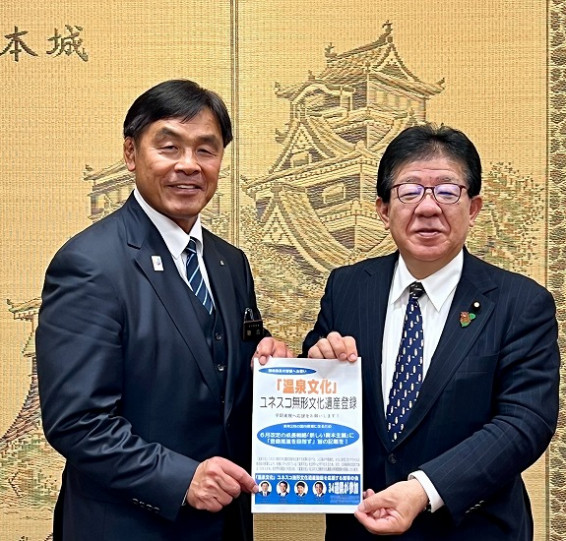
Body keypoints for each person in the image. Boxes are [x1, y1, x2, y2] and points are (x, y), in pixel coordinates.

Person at [36, 79, 290, 541]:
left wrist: (266, 363)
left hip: (225, 524)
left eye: (206, 150)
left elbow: (223, 377)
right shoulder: (89, 263)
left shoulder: (230, 262)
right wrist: (181, 479)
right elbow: (76, 422)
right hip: (129, 526)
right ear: (131, 153)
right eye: (169, 147)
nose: (188, 165)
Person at [302, 124, 559, 539]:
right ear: (383, 209)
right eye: (409, 191)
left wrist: (424, 489)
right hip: (360, 527)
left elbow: (525, 422)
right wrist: (317, 359)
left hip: (473, 529)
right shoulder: (347, 287)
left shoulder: (521, 303)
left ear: (473, 208)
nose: (427, 207)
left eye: (446, 191)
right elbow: (319, 379)